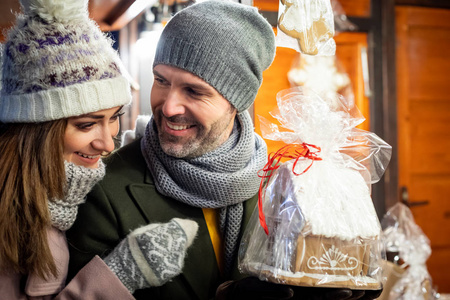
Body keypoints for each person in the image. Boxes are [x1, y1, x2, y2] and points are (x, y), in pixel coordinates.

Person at [66, 1, 382, 299]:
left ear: (236, 102)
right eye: (161, 80)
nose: (169, 105)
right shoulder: (104, 188)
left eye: (194, 90)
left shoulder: (280, 184)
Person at [0, 0, 198, 299]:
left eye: (114, 118)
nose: (107, 144)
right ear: (35, 128)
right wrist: (117, 276)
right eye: (86, 125)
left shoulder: (56, 196)